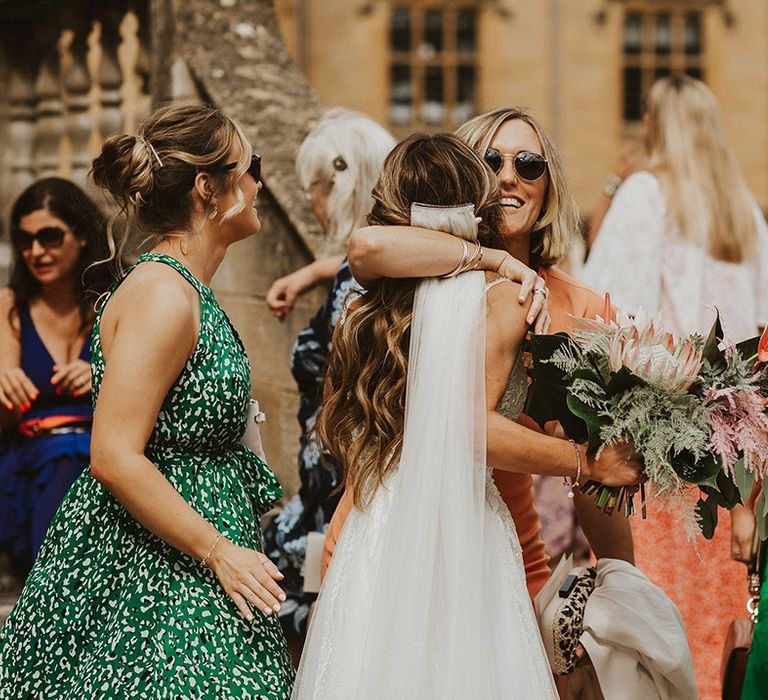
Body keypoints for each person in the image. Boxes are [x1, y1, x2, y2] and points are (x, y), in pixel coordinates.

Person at [0, 104, 294, 698]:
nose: (260, 182)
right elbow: (113, 454)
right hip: (155, 570)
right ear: (208, 189)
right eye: (250, 166)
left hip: (185, 555)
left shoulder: (183, 288)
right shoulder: (163, 294)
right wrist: (219, 552)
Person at [294, 132, 567, 698]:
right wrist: (586, 461)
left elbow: (366, 247)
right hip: (464, 521)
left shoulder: (375, 301)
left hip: (379, 520)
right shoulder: (502, 296)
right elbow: (473, 431)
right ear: (476, 204)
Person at [322, 107, 639, 595]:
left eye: (529, 164)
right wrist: (492, 259)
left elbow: (602, 467)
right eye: (491, 160)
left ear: (549, 184)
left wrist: (624, 582)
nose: (509, 176)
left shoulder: (582, 310)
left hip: (503, 555)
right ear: (468, 176)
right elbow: (363, 248)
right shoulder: (420, 274)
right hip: (385, 546)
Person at [582, 73, 768, 699]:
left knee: (656, 618)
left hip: (660, 441)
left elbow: (608, 313)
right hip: (736, 451)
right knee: (722, 618)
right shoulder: (744, 213)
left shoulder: (644, 194)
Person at [261, 109, 395, 644]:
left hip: (340, 492)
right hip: (329, 486)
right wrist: (310, 271)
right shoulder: (360, 270)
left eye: (313, 188)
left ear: (338, 185)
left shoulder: (360, 287)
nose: (310, 203)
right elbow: (348, 264)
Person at [0, 178, 114, 571]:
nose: (35, 251)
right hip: (35, 459)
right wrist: (5, 391)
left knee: (85, 467)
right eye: (25, 240)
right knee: (62, 467)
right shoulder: (11, 306)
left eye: (49, 237)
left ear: (81, 234)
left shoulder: (113, 299)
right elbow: (8, 420)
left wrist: (102, 375)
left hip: (105, 453)